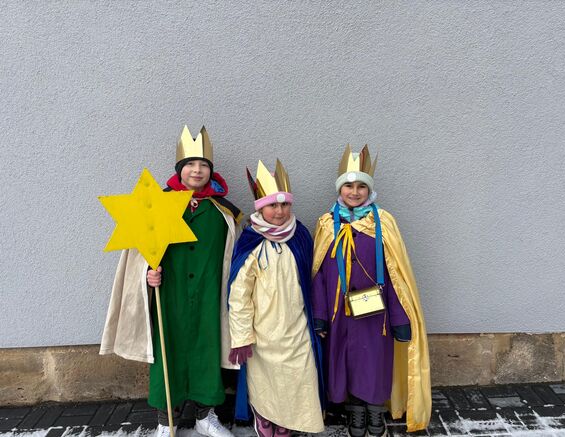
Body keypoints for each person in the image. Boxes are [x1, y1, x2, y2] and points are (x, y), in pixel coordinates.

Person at [100, 126, 243, 437]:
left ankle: (205, 416)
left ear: (211, 171)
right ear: (180, 169)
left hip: (208, 295)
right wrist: (146, 275)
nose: (197, 170)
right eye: (190, 164)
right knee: (168, 353)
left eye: (203, 165)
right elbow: (139, 253)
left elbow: (235, 257)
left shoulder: (223, 212)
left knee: (208, 351)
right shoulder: (158, 205)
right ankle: (167, 421)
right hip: (169, 295)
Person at [311, 145, 431, 435]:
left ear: (369, 189)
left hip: (377, 314)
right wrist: (320, 316)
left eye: (361, 186)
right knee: (345, 362)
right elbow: (319, 275)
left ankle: (376, 412)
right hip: (339, 314)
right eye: (349, 186)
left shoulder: (384, 223)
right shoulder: (327, 224)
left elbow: (396, 275)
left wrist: (400, 318)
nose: (354, 192)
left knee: (375, 362)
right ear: (340, 189)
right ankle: (354, 412)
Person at [227, 160, 325, 437]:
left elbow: (314, 279)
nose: (280, 211)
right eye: (272, 205)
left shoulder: (300, 235)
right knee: (265, 381)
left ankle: (286, 421)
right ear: (260, 208)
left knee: (297, 377)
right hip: (264, 331)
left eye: (284, 205)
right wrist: (242, 336)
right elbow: (239, 295)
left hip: (297, 327)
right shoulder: (251, 242)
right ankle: (265, 416)